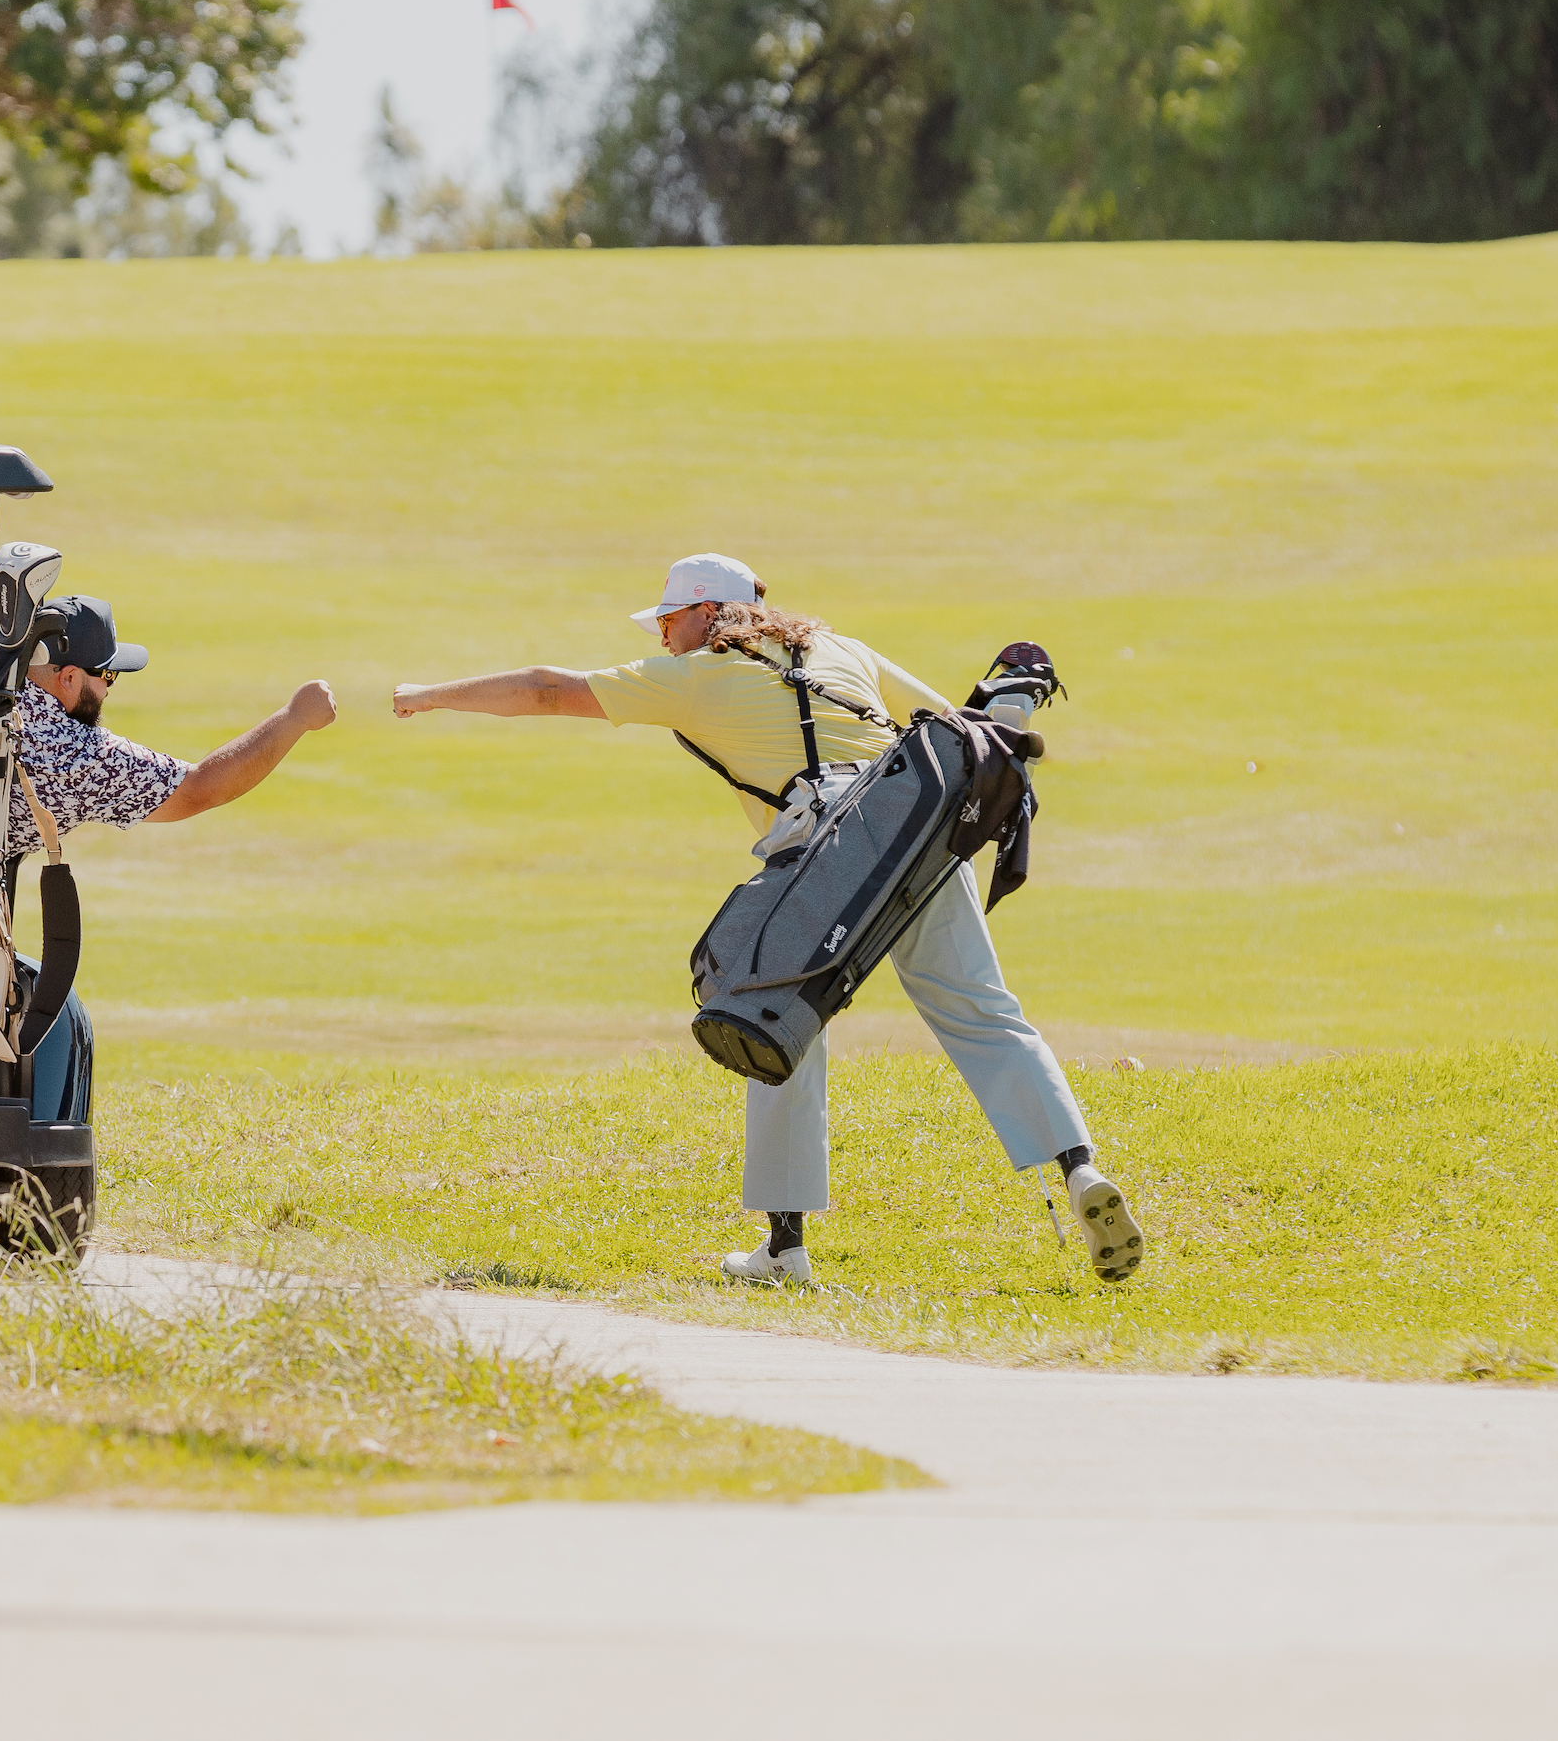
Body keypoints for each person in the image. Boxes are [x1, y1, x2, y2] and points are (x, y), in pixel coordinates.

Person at [388, 551, 1145, 1287]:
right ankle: (1081, 1169)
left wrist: (430, 692)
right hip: (916, 838)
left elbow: (549, 690)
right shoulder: (838, 646)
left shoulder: (697, 673)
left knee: (775, 1022)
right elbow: (950, 722)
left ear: (710, 614)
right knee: (985, 1014)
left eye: (670, 618)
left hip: (822, 853)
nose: (661, 634)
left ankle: (785, 1248)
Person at [0, 592, 336, 928]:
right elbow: (200, 788)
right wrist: (294, 717)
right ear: (69, 678)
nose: (108, 689)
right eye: (107, 677)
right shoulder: (75, 753)